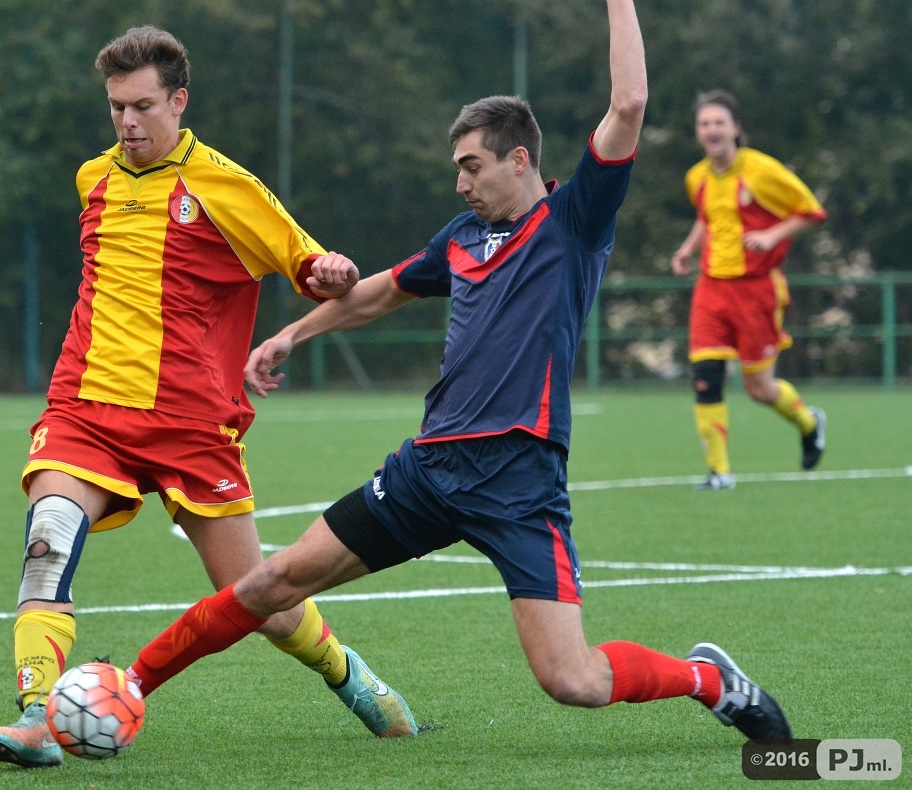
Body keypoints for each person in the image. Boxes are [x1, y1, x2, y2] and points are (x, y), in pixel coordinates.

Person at [118, 0, 794, 745]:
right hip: (429, 470)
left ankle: (711, 681)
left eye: (471, 166)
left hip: (519, 478)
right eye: (457, 170)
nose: (461, 183)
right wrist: (292, 333)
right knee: (273, 582)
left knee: (573, 680)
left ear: (519, 160)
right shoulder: (463, 237)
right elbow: (380, 290)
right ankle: (128, 687)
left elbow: (629, 102)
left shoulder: (573, 222)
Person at [0, 25, 415, 769]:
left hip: (191, 423)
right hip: (86, 408)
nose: (128, 122)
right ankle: (37, 719)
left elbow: (307, 263)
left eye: (143, 106)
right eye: (117, 107)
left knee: (260, 600)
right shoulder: (93, 179)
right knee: (47, 541)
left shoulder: (225, 186)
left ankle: (352, 677)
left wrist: (332, 272)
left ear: (179, 102)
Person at [670, 89, 828, 491]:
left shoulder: (761, 170)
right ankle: (720, 473)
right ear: (698, 132)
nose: (712, 130)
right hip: (710, 288)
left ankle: (808, 422)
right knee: (706, 376)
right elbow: (707, 218)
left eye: (719, 122)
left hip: (756, 291)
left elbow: (811, 211)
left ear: (735, 128)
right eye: (704, 124)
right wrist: (687, 250)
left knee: (759, 389)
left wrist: (772, 235)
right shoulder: (697, 176)